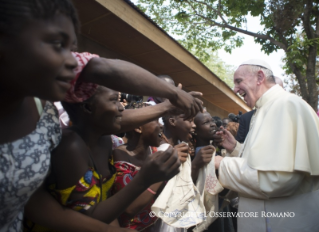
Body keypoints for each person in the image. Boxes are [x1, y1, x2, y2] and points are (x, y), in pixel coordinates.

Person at [0, 0, 202, 231]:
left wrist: (168, 104)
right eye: (57, 44)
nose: (71, 61)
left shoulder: (43, 112)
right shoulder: (71, 146)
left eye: (71, 48)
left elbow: (31, 201)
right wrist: (145, 181)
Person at [25, 87, 181, 231]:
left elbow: (102, 203)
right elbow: (89, 216)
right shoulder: (71, 146)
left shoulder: (104, 140)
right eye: (113, 100)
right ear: (88, 107)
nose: (121, 107)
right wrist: (144, 180)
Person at [215, 59, 319, 232]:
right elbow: (265, 160)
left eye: (239, 81)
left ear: (260, 77)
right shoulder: (265, 108)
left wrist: (221, 163)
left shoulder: (286, 105)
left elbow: (278, 179)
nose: (235, 89)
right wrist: (236, 149)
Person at [112, 101, 165, 231]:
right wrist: (161, 175)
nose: (161, 126)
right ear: (138, 128)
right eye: (155, 120)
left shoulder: (154, 151)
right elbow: (129, 209)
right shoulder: (119, 156)